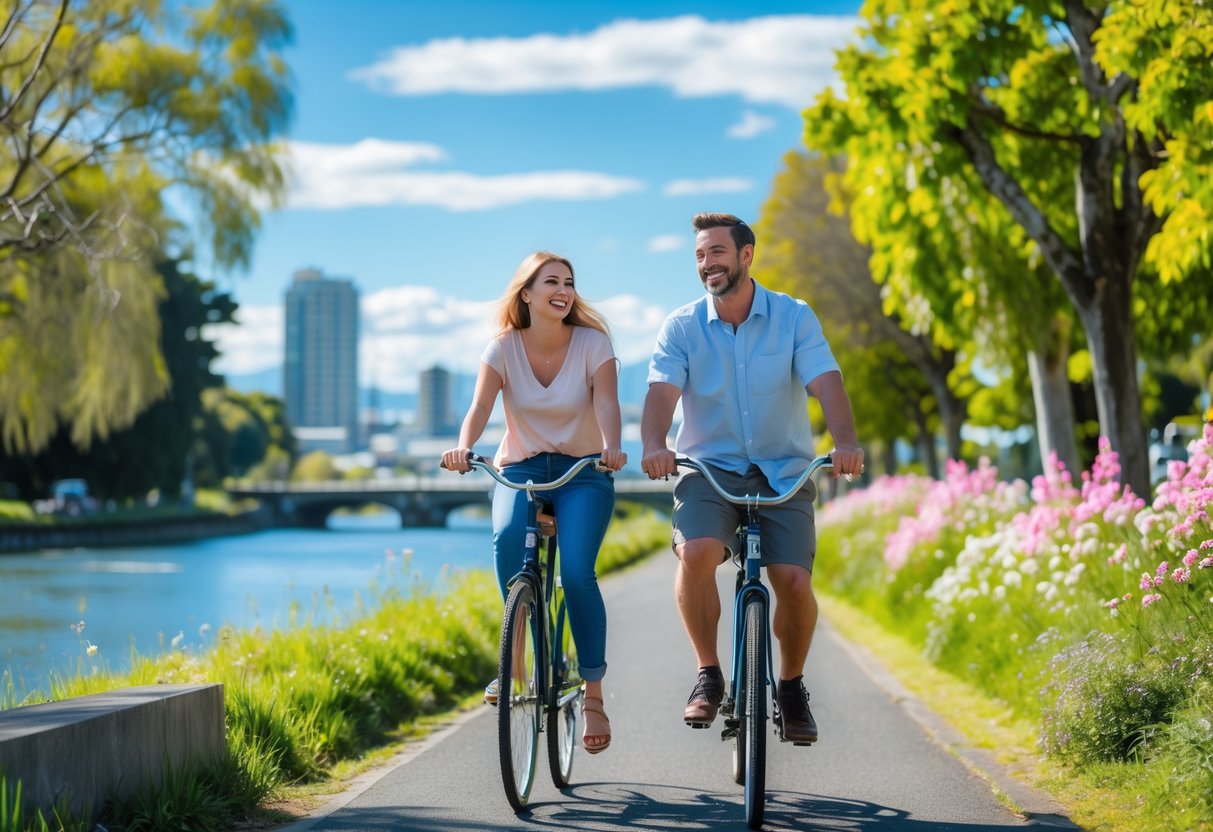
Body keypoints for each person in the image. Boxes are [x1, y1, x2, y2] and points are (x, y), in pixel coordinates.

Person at [639, 213, 863, 745]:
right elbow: (661, 394)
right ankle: (709, 673)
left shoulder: (794, 317)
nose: (707, 263)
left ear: (746, 255)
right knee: (696, 553)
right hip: (708, 470)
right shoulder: (682, 326)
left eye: (717, 251)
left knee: (794, 582)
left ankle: (789, 686)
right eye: (699, 255)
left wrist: (846, 441)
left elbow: (825, 381)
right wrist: (654, 444)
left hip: (783, 470)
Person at [441, 250, 626, 755]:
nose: (563, 290)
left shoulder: (593, 343)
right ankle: (517, 667)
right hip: (519, 468)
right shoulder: (502, 347)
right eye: (551, 282)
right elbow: (480, 405)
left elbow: (607, 402)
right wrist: (463, 444)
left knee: (578, 573)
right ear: (526, 293)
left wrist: (611, 445)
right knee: (506, 542)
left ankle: (592, 693)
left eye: (569, 282)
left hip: (584, 470)